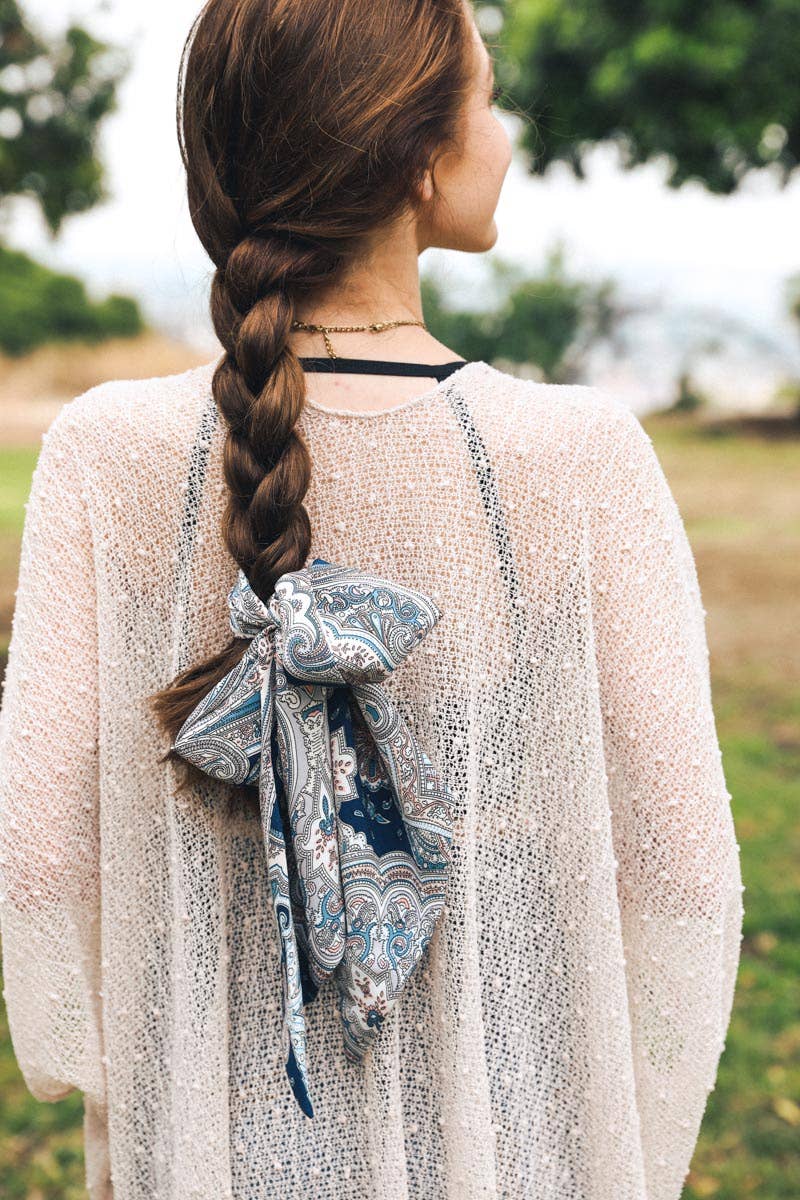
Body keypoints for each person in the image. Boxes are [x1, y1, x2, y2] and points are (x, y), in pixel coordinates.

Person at [0, 1, 744, 1198]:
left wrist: (123, 1067)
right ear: (416, 155)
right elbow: (681, 875)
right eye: (488, 98)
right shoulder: (578, 455)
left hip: (214, 1135)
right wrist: (630, 1122)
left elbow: (39, 865)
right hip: (502, 1134)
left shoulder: (107, 450)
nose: (505, 130)